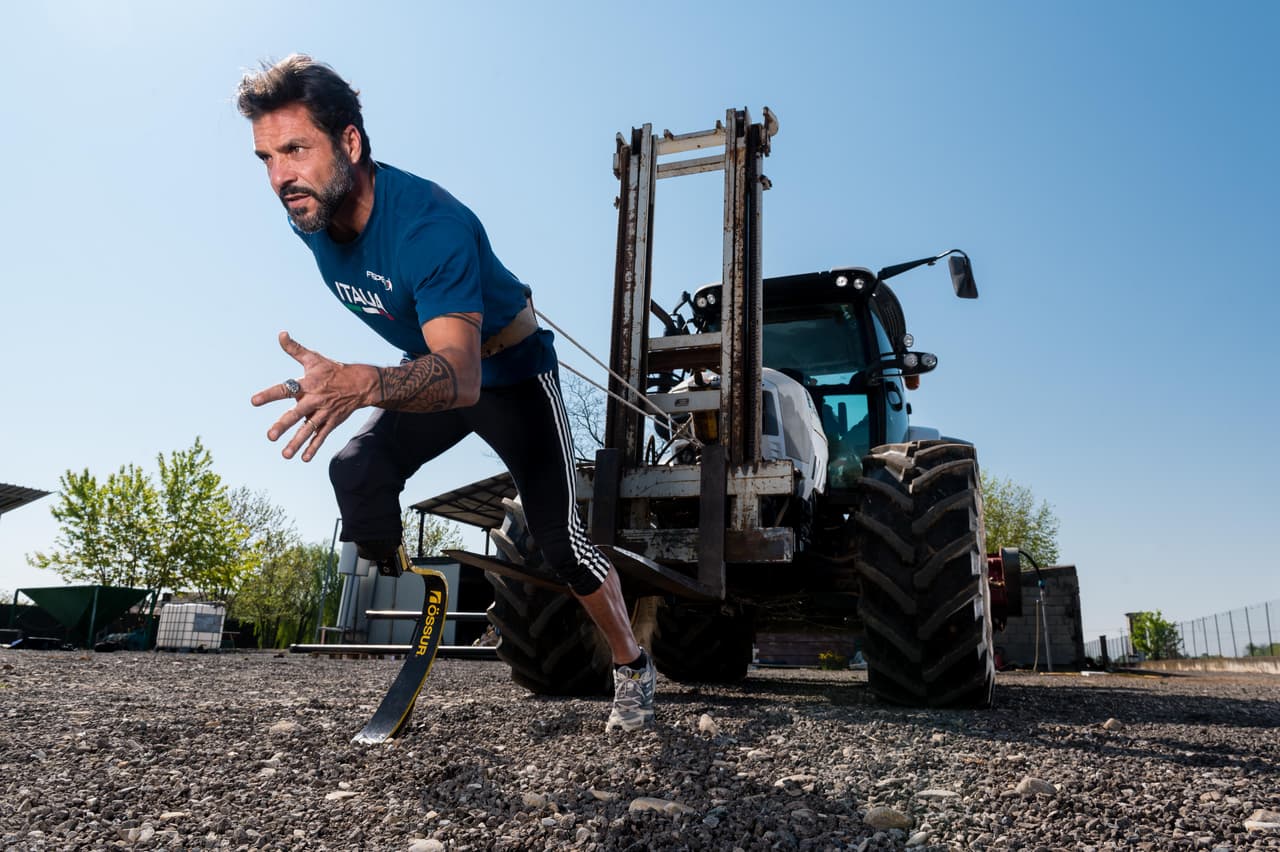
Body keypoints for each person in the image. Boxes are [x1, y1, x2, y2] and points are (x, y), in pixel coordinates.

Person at [236, 55, 654, 733]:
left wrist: (363, 383)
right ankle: (405, 568)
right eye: (266, 158)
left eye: (296, 150)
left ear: (350, 143)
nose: (281, 177)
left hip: (511, 376)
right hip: (431, 365)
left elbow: (461, 380)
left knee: (561, 544)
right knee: (355, 469)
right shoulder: (309, 210)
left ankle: (632, 665)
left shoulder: (430, 226)